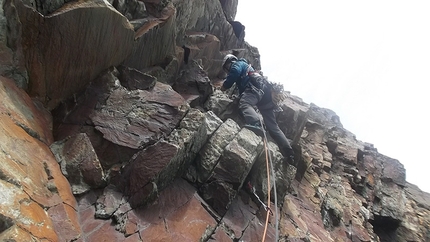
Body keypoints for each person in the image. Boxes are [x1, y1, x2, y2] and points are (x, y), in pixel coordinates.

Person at [220, 54, 296, 166]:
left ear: (230, 62)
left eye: (227, 67)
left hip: (255, 89)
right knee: (273, 126)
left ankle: (256, 124)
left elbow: (235, 72)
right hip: (266, 98)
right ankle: (289, 153)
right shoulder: (248, 69)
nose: (228, 70)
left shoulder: (238, 64)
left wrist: (224, 86)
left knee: (245, 103)